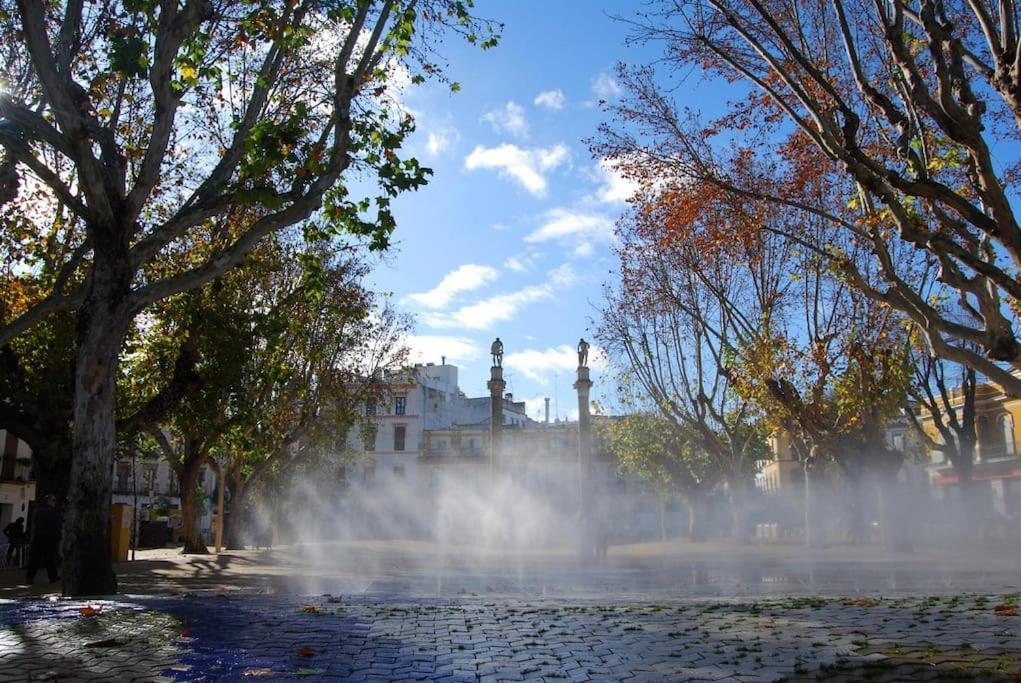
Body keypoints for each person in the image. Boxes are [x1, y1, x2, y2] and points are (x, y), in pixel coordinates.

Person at [25, 494, 61, 585]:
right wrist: (58, 536)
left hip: (37, 537)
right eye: (53, 500)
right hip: (49, 537)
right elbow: (55, 525)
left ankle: (30, 577)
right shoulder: (51, 511)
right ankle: (53, 577)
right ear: (48, 501)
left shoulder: (37, 511)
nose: (54, 502)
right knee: (50, 559)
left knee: (34, 559)